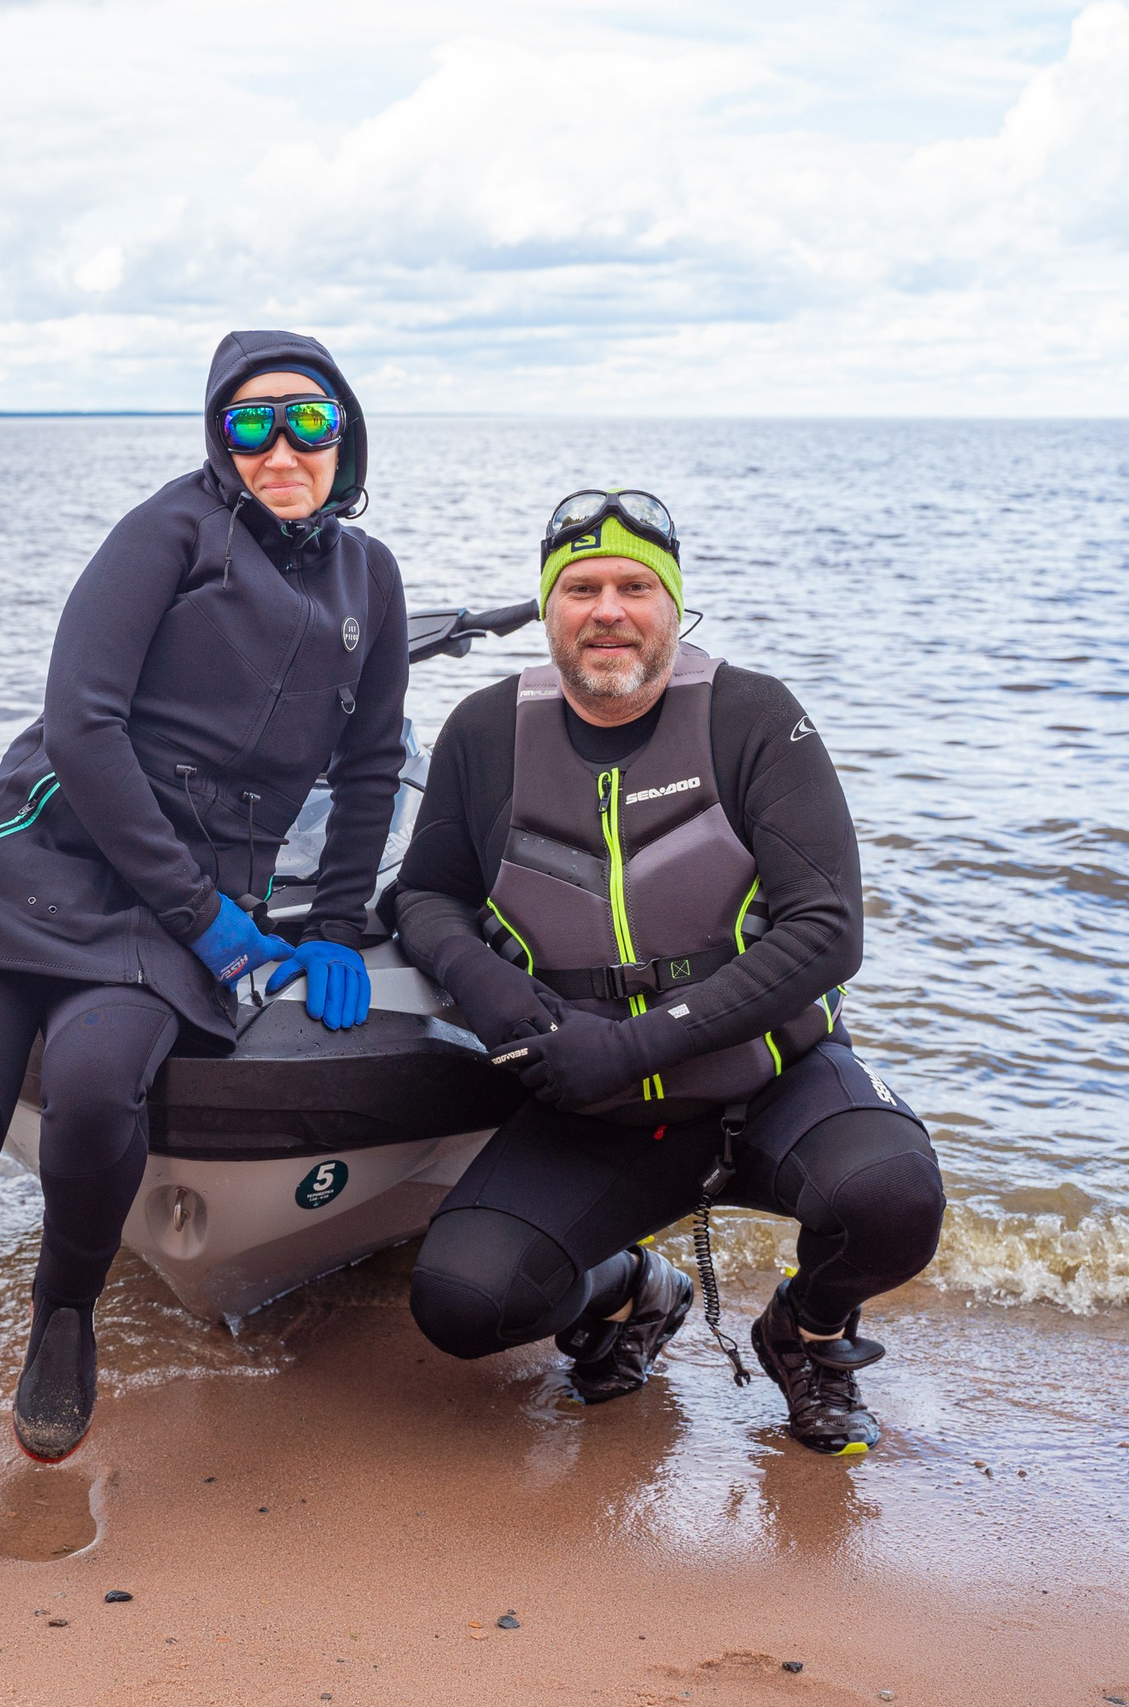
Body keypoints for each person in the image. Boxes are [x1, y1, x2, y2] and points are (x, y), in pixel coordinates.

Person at [0, 333, 409, 1623]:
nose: (280, 451)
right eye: (249, 429)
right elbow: (82, 721)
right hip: (32, 865)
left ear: (347, 437)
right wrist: (217, 927)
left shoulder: (370, 578)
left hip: (163, 924)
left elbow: (369, 765)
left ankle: (62, 1299)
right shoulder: (165, 533)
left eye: (307, 424)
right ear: (213, 442)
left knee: (91, 1086)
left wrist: (337, 927)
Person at [384, 488, 944, 1455]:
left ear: (675, 606)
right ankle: (631, 1292)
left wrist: (640, 1043)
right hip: (586, 1105)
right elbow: (425, 898)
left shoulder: (755, 715)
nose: (608, 609)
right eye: (582, 587)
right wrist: (513, 1009)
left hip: (767, 1084)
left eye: (635, 586)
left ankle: (806, 1334)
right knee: (461, 1301)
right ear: (550, 609)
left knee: (892, 1198)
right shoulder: (483, 732)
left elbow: (828, 929)